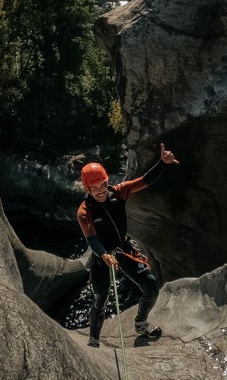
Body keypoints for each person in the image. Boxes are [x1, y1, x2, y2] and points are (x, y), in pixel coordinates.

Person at [77, 143, 179, 348]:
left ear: (107, 181)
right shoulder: (84, 211)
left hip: (123, 249)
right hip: (102, 257)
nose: (100, 191)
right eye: (94, 188)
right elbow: (92, 239)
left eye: (102, 185)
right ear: (87, 188)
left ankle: (141, 324)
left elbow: (145, 181)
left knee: (150, 288)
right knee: (100, 298)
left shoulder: (120, 192)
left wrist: (162, 163)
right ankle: (94, 341)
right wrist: (104, 255)